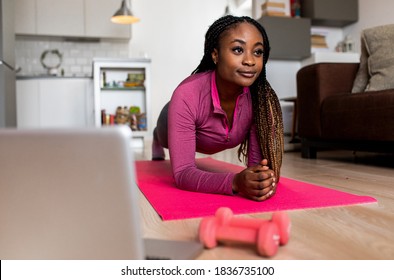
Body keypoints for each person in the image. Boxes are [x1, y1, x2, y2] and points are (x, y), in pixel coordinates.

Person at [152, 15, 284, 202]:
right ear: (215, 55)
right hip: (169, 118)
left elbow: (256, 165)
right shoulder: (186, 95)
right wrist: (236, 182)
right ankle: (155, 137)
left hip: (209, 134)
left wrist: (259, 180)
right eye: (238, 49)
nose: (250, 61)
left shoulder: (259, 102)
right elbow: (182, 173)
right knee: (162, 135)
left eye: (258, 52)